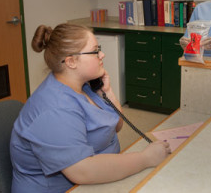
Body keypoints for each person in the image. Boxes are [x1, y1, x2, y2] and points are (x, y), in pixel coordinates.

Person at [10, 23, 170, 193]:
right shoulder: (54, 109)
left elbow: (116, 126)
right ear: (71, 61)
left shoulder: (84, 86)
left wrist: (107, 92)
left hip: (97, 179)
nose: (102, 54)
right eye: (95, 51)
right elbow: (83, 171)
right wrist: (145, 159)